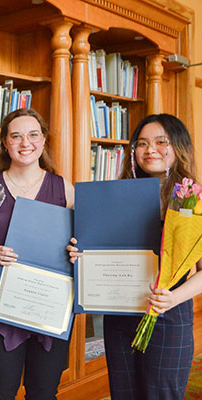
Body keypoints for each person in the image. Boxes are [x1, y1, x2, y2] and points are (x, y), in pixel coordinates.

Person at [68, 113, 202, 399]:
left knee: (161, 395)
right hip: (119, 313)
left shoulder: (193, 199)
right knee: (123, 393)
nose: (150, 149)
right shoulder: (115, 196)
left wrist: (174, 298)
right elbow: (98, 248)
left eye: (160, 142)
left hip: (168, 313)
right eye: (141, 143)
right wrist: (80, 254)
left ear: (179, 147)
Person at [0, 108, 75, 400]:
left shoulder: (64, 188)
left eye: (33, 135)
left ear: (43, 141)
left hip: (50, 302)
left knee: (43, 391)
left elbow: (79, 242)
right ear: (5, 143)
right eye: (16, 136)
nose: (25, 142)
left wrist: (77, 251)